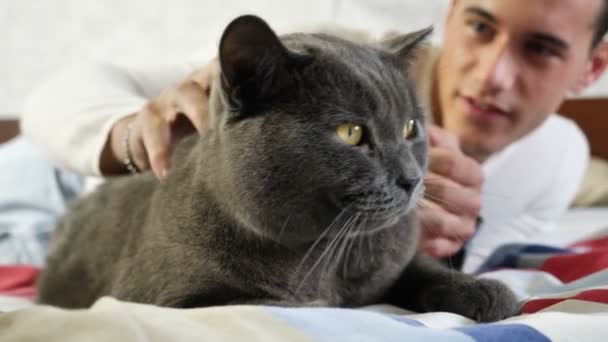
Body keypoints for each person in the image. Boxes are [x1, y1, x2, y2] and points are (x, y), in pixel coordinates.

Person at [13, 0, 608, 272]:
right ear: (451, 14)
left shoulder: (556, 163)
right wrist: (131, 134)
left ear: (591, 70)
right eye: (480, 25)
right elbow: (55, 96)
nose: (492, 73)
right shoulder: (327, 54)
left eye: (541, 49)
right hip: (56, 184)